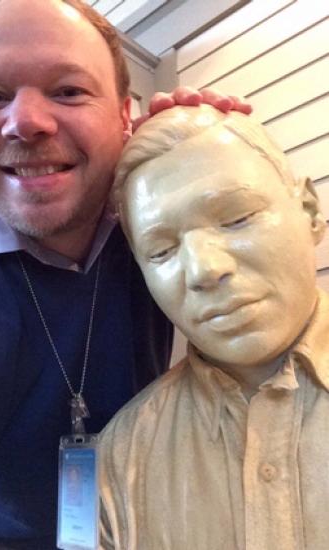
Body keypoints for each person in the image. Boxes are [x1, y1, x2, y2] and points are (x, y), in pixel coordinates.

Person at [0, 0, 252, 547]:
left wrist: (199, 170)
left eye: (68, 91)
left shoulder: (161, 224)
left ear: (124, 117)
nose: (24, 121)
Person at [100, 105, 328, 549]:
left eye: (237, 217)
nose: (204, 269)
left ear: (309, 210)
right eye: (161, 251)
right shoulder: (122, 455)